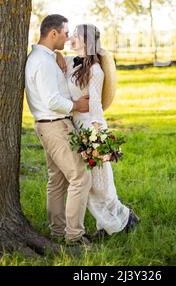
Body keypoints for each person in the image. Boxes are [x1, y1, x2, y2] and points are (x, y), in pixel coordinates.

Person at [56, 24, 140, 240]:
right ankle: (110, 224)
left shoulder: (95, 70)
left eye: (77, 35)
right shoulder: (71, 63)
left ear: (87, 41)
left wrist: (97, 138)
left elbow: (96, 106)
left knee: (100, 184)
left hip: (90, 129)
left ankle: (123, 220)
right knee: (88, 183)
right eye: (72, 34)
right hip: (74, 129)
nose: (72, 38)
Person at [25, 14, 93, 246]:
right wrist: (77, 106)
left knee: (57, 180)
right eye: (65, 33)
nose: (67, 37)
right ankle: (74, 236)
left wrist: (56, 53)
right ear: (53, 33)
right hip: (55, 126)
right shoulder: (42, 62)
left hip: (49, 126)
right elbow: (52, 99)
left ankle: (57, 231)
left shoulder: (45, 57)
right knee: (80, 177)